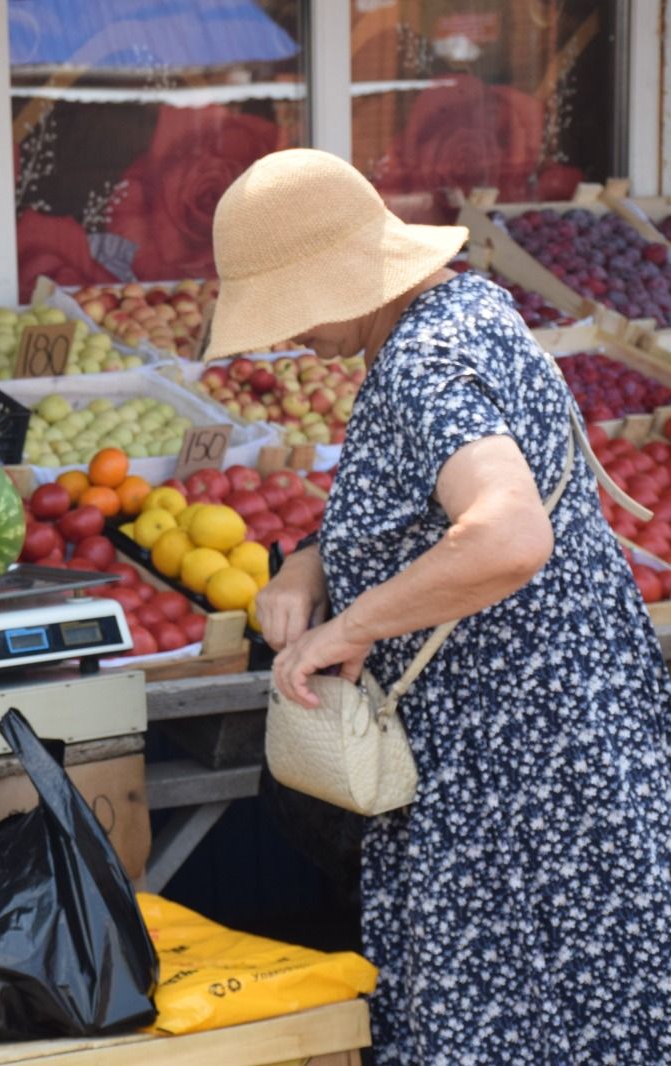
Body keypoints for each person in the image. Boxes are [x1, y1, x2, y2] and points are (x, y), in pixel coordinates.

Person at [206, 148, 671, 1064]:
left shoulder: (424, 359)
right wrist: (308, 566)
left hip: (518, 793)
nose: (284, 337)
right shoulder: (466, 312)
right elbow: (422, 519)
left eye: (290, 307)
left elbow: (506, 534)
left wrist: (348, 627)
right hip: (568, 756)